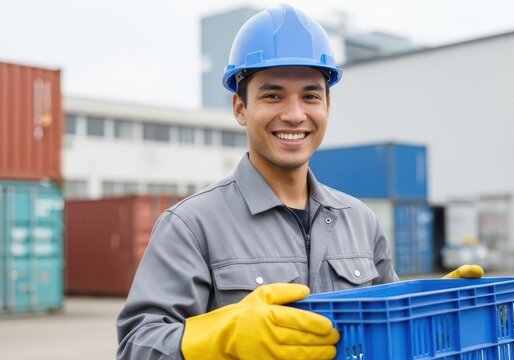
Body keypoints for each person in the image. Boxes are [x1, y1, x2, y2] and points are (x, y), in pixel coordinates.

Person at [116, 4, 483, 359]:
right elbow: (137, 345)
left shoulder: (360, 221)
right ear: (240, 108)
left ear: (327, 106)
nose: (294, 115)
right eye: (273, 95)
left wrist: (432, 307)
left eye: (310, 96)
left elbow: (389, 334)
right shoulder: (192, 226)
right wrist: (220, 337)